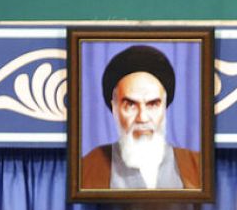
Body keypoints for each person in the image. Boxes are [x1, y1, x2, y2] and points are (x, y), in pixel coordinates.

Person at [79, 45, 202, 190]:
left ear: (165, 107)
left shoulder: (198, 167)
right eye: (130, 105)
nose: (142, 118)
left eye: (153, 104)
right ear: (114, 108)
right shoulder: (87, 169)